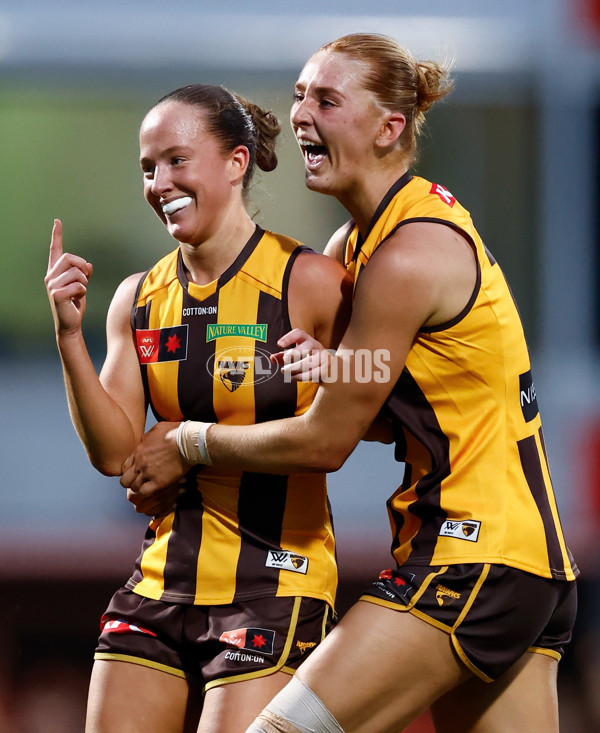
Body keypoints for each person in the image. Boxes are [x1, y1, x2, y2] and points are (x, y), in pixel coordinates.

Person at [121, 34, 578, 733]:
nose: (301, 112)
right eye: (301, 94)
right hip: (525, 562)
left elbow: (328, 439)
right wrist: (332, 370)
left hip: (471, 554)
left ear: (389, 127)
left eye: (327, 99)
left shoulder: (406, 253)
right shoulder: (356, 245)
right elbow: (391, 408)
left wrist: (187, 442)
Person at [45, 83, 352, 733]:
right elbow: (114, 455)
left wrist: (191, 438)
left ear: (237, 162)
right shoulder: (139, 299)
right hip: (160, 584)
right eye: (148, 168)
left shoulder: (312, 284)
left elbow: (361, 416)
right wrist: (70, 337)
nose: (159, 181)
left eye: (177, 160)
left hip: (275, 586)